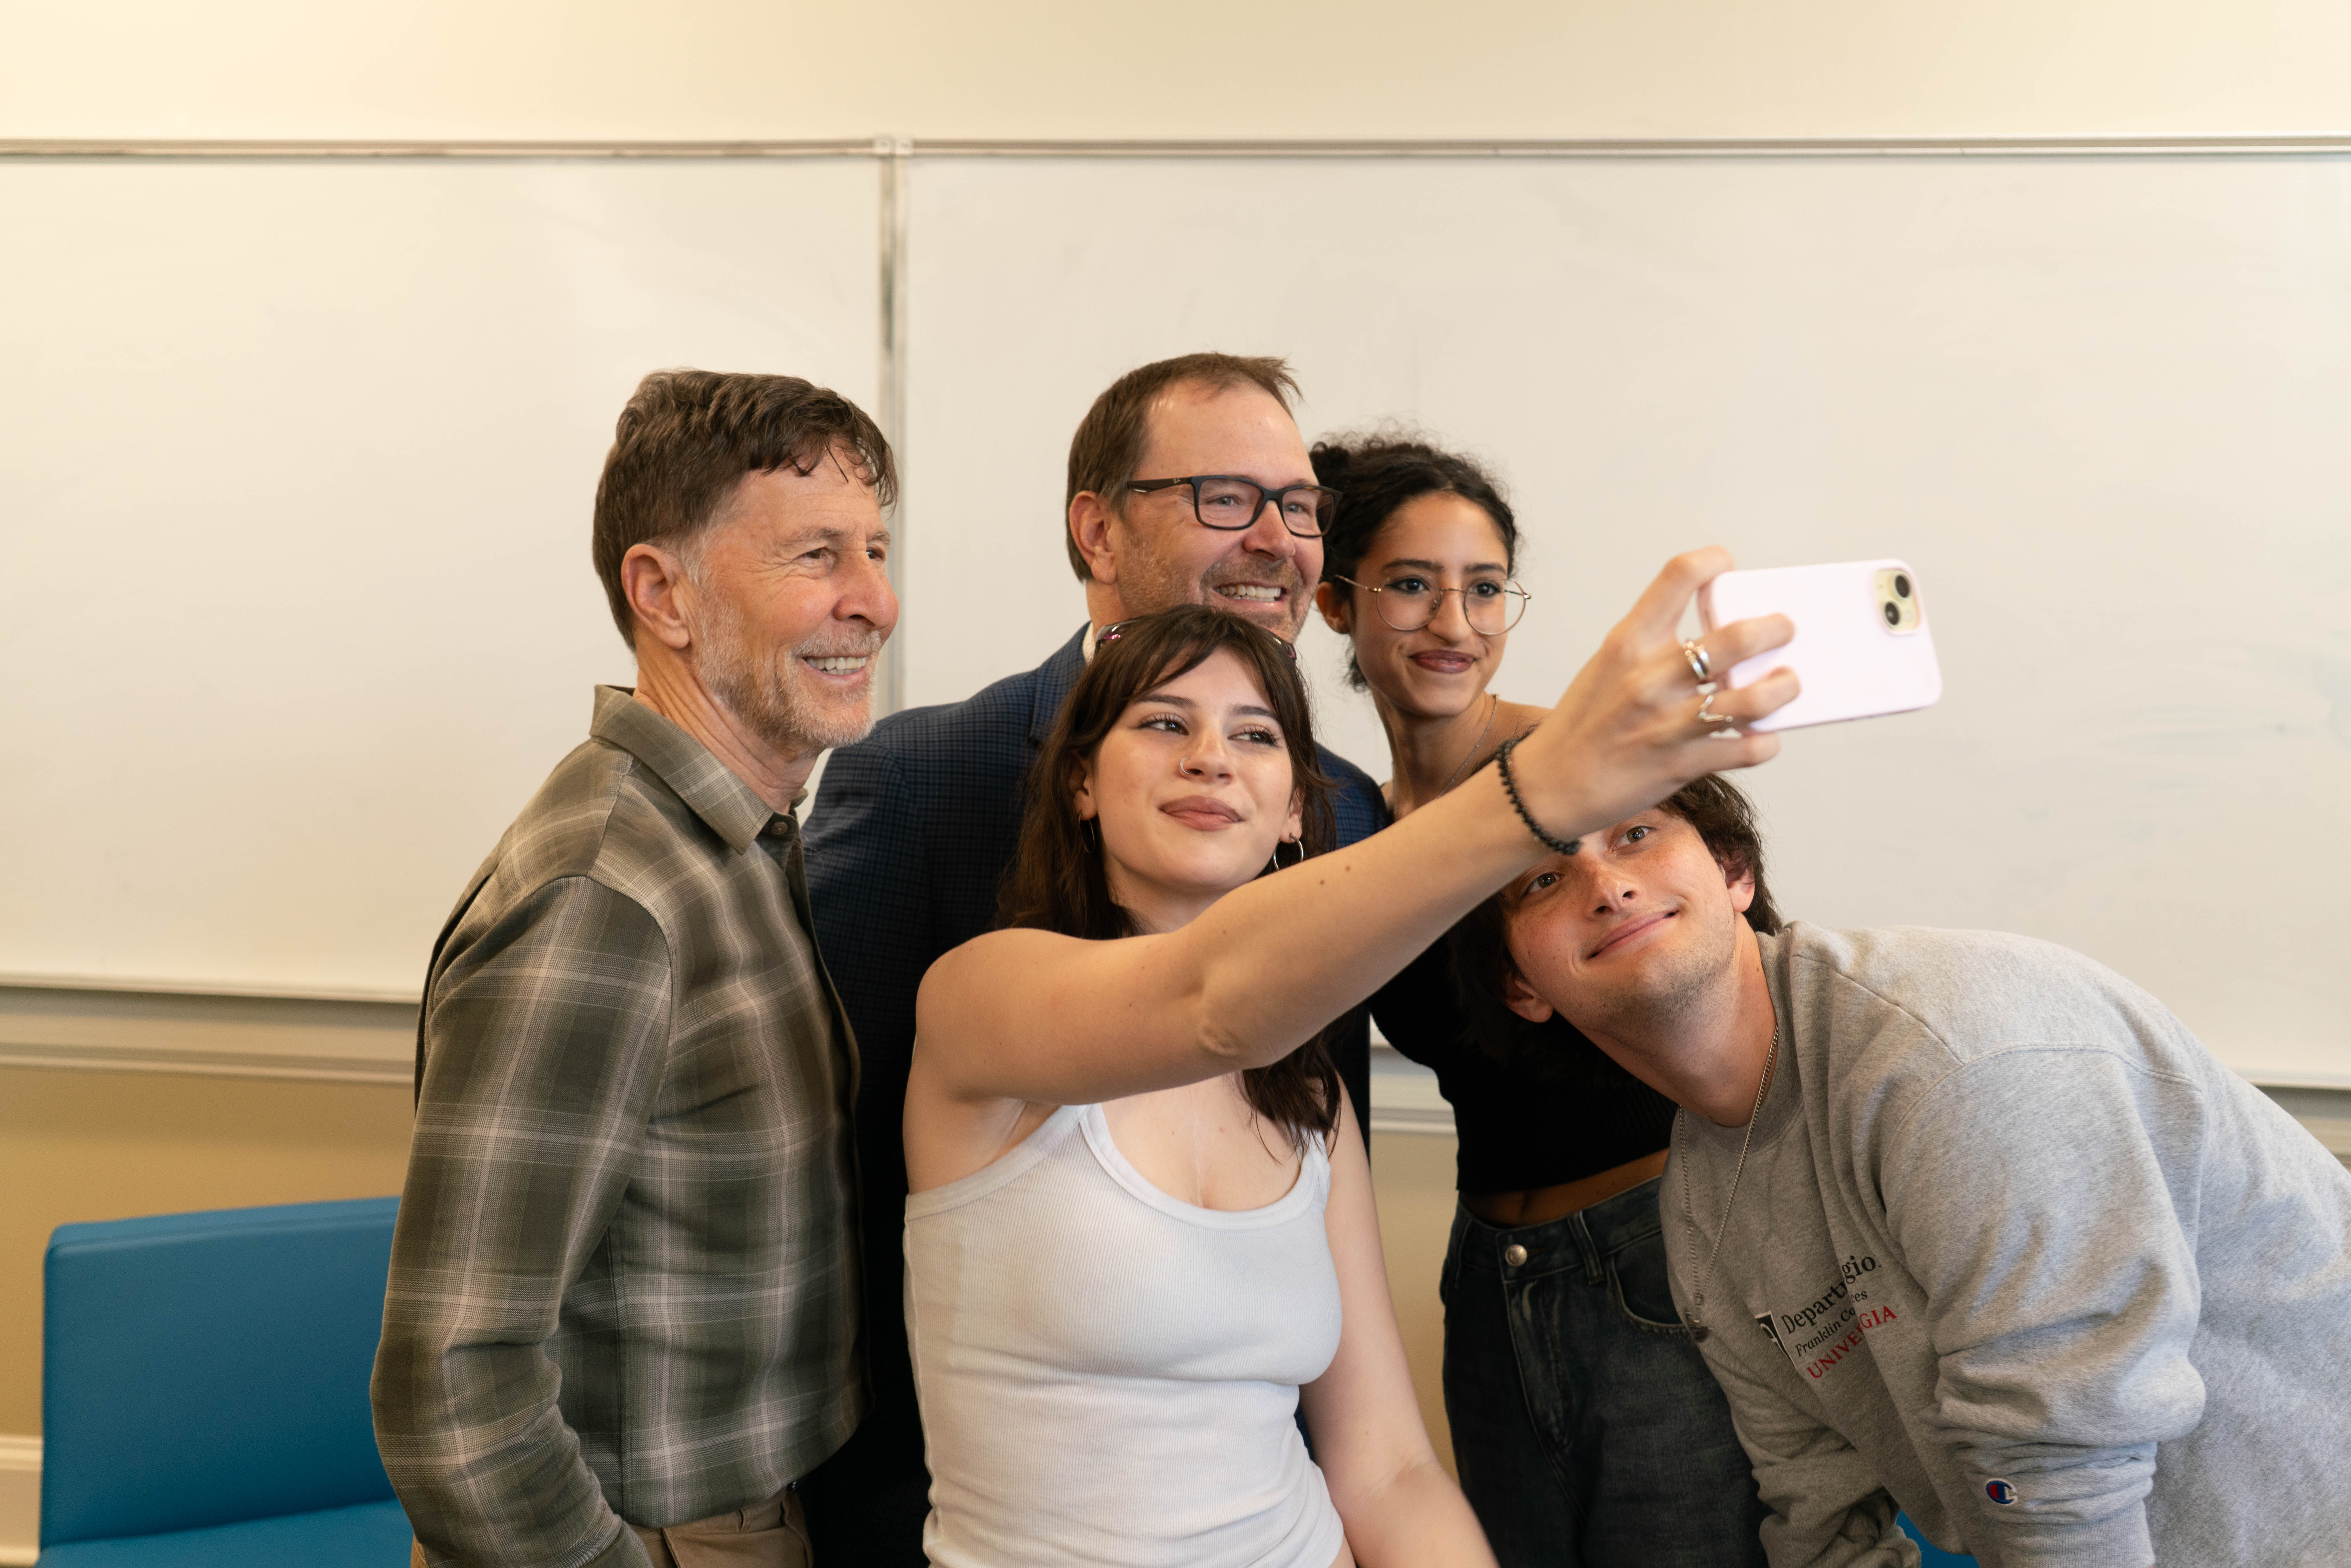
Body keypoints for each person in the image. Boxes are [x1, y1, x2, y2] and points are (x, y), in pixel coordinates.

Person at [902, 542, 1797, 1564]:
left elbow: (1389, 1471)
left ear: (1294, 813)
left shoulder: (1306, 1093)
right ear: (1080, 785)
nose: (1211, 758)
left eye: (1254, 735)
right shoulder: (981, 1000)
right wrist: (1540, 789)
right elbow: (1208, 1000)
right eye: (1163, 725)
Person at [800, 353, 1388, 1563]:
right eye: (1226, 497)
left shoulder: (1348, 810)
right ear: (1096, 528)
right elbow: (825, 1174)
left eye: (1300, 506)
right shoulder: (916, 780)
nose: (1275, 539)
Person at [1472, 772, 2351, 1568]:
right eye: (1544, 879)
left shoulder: (1951, 1054)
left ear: (1735, 874)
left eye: (1635, 834)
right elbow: (1820, 1514)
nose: (1608, 886)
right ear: (1523, 986)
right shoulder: (1700, 1211)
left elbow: (2061, 1471)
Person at [373, 370, 896, 1568]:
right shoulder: (606, 901)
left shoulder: (736, 843)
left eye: (873, 549)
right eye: (817, 555)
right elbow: (453, 1392)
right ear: (661, 593)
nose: (875, 599)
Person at [1310, 433, 1765, 1567]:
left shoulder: (1592, 772)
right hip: (1487, 1283)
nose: (1454, 626)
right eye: (1412, 586)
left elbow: (1739, 978)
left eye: (1482, 589)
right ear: (1334, 603)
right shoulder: (1349, 820)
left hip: (1659, 1264)